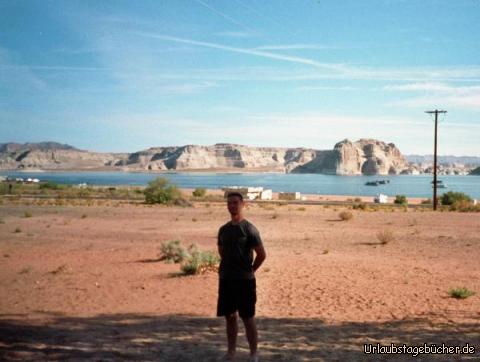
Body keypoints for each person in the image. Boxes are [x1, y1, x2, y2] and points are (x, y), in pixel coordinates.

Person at [217, 192, 267, 362]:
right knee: (230, 317)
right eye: (229, 203)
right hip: (226, 279)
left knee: (247, 317)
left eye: (235, 203)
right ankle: (231, 352)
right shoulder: (223, 230)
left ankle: (253, 353)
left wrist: (251, 270)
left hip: (245, 281)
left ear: (243, 204)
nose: (232, 206)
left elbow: (261, 254)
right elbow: (222, 252)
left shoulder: (250, 229)